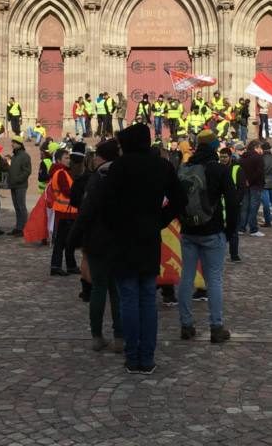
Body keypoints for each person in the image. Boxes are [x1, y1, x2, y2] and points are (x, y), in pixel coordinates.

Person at [102, 124, 185, 374]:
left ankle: (132, 357)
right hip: (149, 237)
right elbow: (180, 199)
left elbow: (106, 205)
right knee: (148, 298)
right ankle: (147, 358)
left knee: (128, 298)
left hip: (123, 239)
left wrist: (114, 226)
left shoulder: (119, 167)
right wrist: (159, 220)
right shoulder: (162, 166)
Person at [177, 130, 239, 344]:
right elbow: (232, 202)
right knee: (214, 280)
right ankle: (216, 327)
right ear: (213, 146)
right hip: (212, 230)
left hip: (189, 230)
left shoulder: (186, 167)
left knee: (186, 277)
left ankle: (186, 324)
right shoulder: (219, 169)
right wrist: (230, 231)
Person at [69, 139, 124, 352]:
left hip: (96, 241)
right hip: (119, 240)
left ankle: (97, 335)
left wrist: (74, 238)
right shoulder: (123, 176)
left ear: (101, 157)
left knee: (99, 288)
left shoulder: (96, 178)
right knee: (116, 290)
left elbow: (86, 211)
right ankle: (120, 337)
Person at [49, 143, 84, 273]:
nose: (69, 160)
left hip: (67, 210)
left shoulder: (63, 172)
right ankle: (57, 266)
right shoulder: (61, 173)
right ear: (59, 160)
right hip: (66, 211)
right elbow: (68, 191)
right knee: (62, 241)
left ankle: (69, 265)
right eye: (66, 158)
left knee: (68, 240)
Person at [6, 135, 31, 236]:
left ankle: (24, 228)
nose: (12, 144)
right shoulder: (14, 156)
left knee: (21, 207)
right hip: (13, 185)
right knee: (17, 207)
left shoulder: (24, 156)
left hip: (21, 185)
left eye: (14, 142)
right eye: (12, 142)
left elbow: (27, 171)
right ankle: (18, 227)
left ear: (19, 144)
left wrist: (18, 179)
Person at [238, 141, 264, 236]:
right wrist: (250, 180)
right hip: (255, 185)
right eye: (259, 148)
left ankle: (241, 228)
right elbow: (259, 172)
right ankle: (253, 229)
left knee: (244, 207)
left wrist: (245, 180)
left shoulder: (242, 158)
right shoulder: (258, 158)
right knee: (254, 208)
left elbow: (240, 171)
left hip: (245, 185)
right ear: (256, 148)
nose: (261, 150)